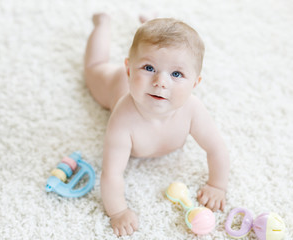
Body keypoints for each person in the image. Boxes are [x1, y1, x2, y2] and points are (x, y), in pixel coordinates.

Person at [84, 13, 230, 237]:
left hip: (141, 78)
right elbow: (111, 174)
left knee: (160, 46)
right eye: (149, 68)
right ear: (129, 69)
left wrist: (216, 185)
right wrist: (118, 212)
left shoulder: (192, 109)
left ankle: (151, 33)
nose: (161, 82)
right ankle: (103, 24)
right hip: (116, 85)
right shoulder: (123, 120)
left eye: (176, 73)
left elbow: (216, 148)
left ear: (195, 83)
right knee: (94, 67)